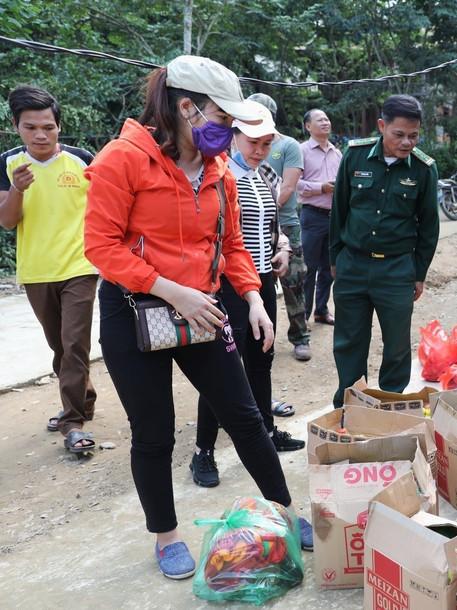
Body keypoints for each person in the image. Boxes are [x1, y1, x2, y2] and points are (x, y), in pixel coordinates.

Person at [83, 55, 313, 579]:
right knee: (155, 433)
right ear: (186, 107)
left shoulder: (217, 171)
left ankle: (285, 511)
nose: (230, 129)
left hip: (203, 311)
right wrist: (170, 290)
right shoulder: (123, 159)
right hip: (134, 312)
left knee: (247, 418)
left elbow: (230, 244)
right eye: (223, 117)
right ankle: (166, 537)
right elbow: (101, 245)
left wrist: (253, 298)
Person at [190, 101, 305, 489]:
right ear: (234, 135)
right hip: (228, 286)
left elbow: (271, 222)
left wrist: (283, 247)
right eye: (253, 141)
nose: (260, 149)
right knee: (223, 371)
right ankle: (203, 451)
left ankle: (267, 433)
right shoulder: (221, 174)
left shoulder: (264, 174)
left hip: (261, 284)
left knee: (260, 361)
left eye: (267, 142)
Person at [0, 85, 98, 453]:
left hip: (80, 265)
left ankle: (72, 423)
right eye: (31, 128)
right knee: (59, 346)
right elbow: (7, 222)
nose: (40, 135)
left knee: (75, 344)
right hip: (36, 270)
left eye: (49, 127)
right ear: (15, 126)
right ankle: (83, 395)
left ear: (59, 126)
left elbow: (104, 209)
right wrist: (17, 189)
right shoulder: (7, 163)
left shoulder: (83, 160)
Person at [329, 94, 440, 407]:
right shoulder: (355, 155)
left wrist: (418, 274)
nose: (406, 142)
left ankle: (391, 405)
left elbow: (429, 227)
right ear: (382, 126)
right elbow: (338, 210)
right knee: (349, 342)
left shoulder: (423, 169)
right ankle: (350, 406)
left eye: (414, 136)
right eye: (399, 134)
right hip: (352, 264)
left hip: (397, 269)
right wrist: (335, 258)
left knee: (396, 345)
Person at [247, 92, 310, 366]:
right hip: (250, 226)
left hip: (285, 224)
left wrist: (266, 210)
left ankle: (301, 337)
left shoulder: (287, 145)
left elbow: (287, 186)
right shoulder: (239, 144)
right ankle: (257, 337)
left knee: (293, 282)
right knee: (256, 285)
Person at [298, 108, 341, 328]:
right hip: (312, 216)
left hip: (334, 218)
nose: (325, 122)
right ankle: (303, 316)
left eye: (327, 118)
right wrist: (321, 188)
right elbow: (295, 184)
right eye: (319, 120)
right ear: (308, 126)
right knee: (309, 268)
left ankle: (321, 311)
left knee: (329, 268)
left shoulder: (337, 152)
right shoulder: (301, 151)